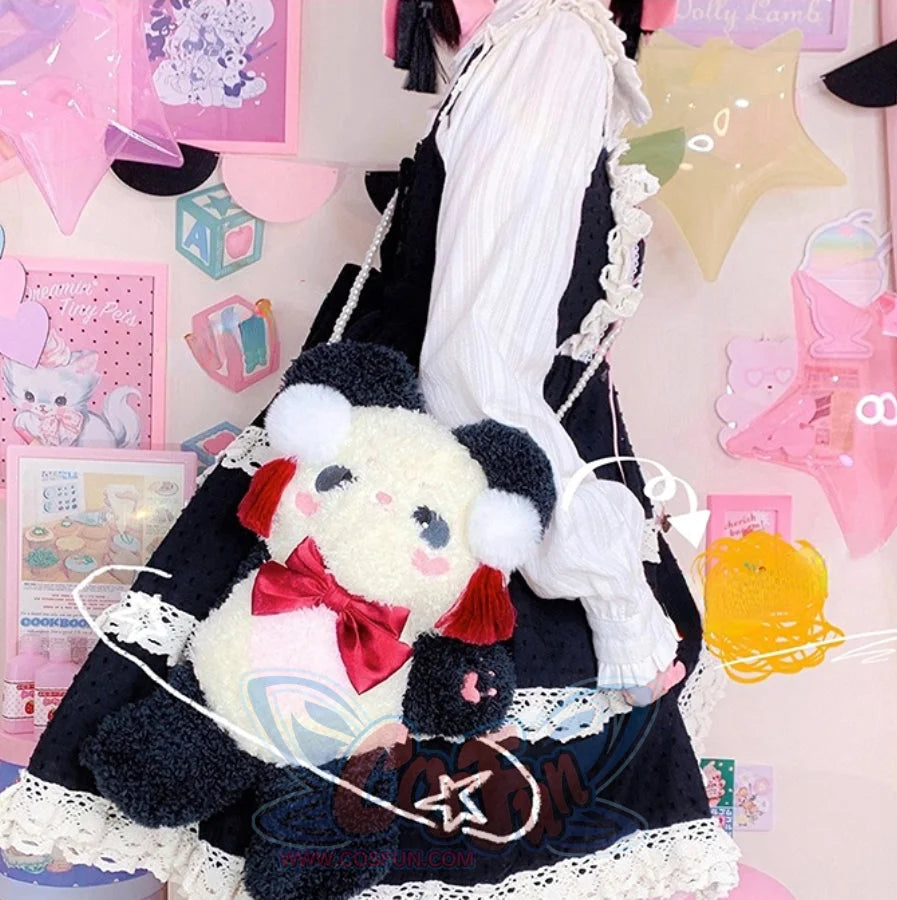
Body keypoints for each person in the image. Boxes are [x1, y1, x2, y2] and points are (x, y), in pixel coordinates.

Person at [0, 1, 740, 897]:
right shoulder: (549, 45)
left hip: (403, 499)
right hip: (454, 515)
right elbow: (479, 379)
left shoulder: (536, 44)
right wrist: (619, 602)